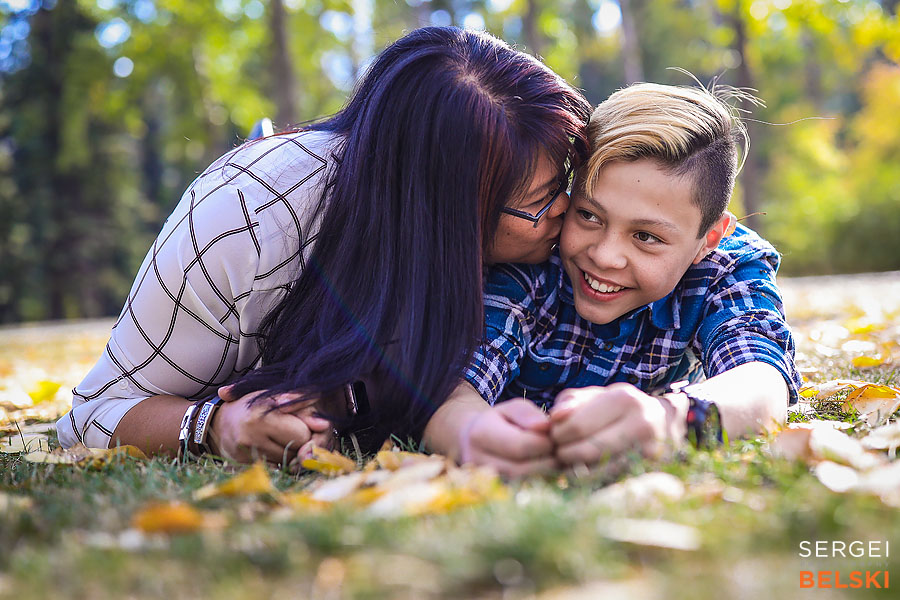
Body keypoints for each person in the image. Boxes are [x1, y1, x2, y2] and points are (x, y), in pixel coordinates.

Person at [56, 26, 591, 466]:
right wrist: (214, 426)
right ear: (446, 217)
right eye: (543, 200)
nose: (568, 210)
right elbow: (93, 413)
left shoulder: (545, 260)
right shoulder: (246, 224)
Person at [423, 82, 802, 477]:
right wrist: (471, 432)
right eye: (589, 215)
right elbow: (453, 389)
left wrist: (671, 421)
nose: (604, 255)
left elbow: (761, 379)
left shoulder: (728, 265)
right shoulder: (533, 259)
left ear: (708, 239)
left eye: (646, 237)